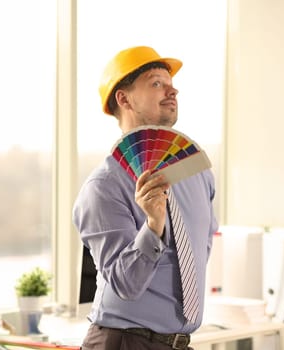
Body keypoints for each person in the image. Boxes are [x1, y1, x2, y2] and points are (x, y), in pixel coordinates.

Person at [72, 46, 218, 350]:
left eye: (171, 83)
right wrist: (153, 226)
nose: (172, 90)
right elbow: (125, 284)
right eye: (156, 83)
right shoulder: (103, 187)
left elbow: (200, 248)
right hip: (122, 342)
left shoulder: (198, 175)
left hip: (178, 343)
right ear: (124, 99)